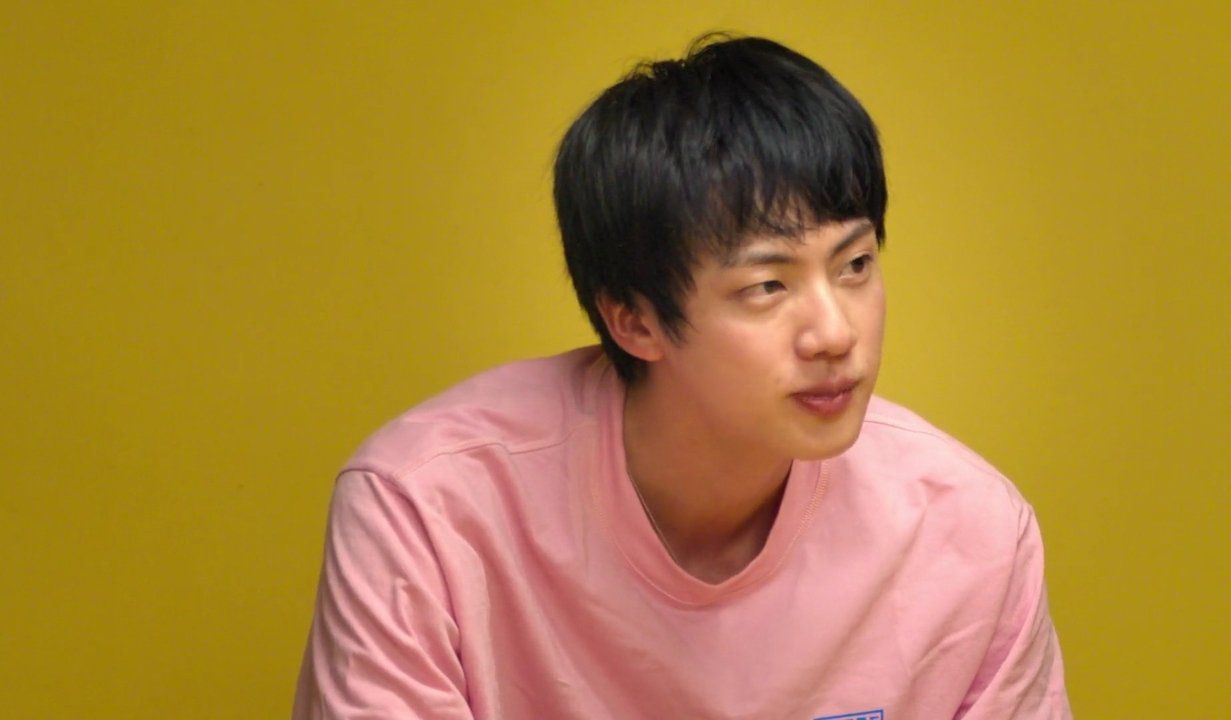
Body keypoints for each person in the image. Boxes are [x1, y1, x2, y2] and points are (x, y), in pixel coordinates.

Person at [293, 34, 1071, 719]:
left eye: (856, 265)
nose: (837, 334)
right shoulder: (425, 508)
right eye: (767, 286)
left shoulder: (970, 531)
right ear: (635, 320)